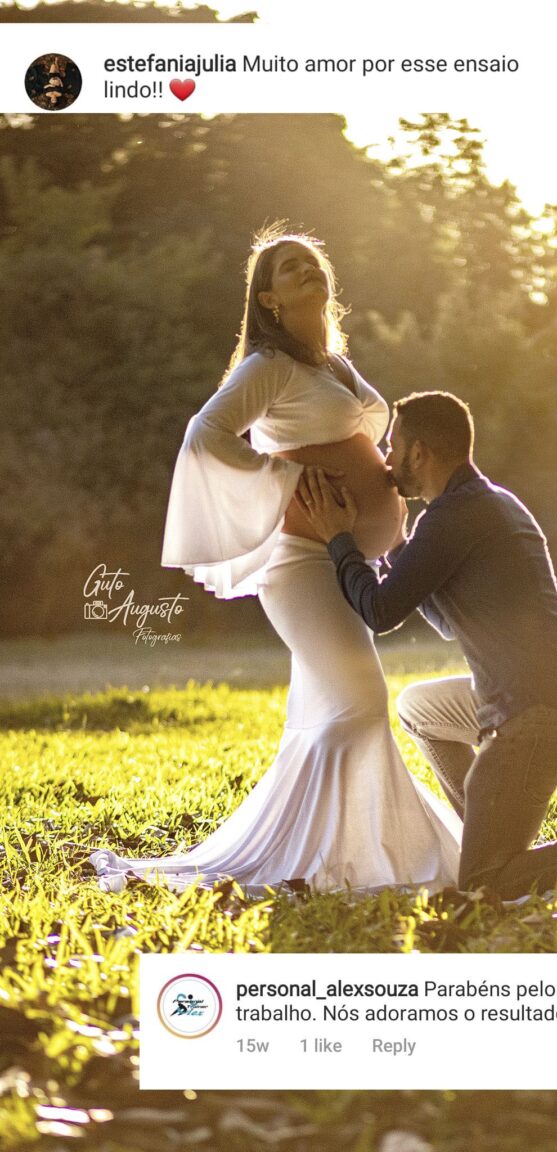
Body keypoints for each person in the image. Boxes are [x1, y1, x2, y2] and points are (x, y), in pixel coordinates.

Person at [90, 229, 459, 896]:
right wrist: (282, 484)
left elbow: (359, 433)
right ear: (269, 299)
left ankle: (329, 859)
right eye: (291, 268)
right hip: (301, 562)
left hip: (343, 556)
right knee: (362, 703)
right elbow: (204, 434)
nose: (308, 270)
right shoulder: (266, 365)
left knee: (330, 715)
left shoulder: (331, 365)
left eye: (313, 261)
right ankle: (323, 863)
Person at [297, 391, 557, 899]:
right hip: (540, 695)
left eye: (392, 444)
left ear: (419, 453)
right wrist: (398, 547)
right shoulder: (484, 504)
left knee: (487, 886)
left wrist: (340, 539)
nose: (385, 457)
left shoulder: (453, 519)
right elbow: (446, 620)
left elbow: (379, 612)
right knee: (418, 708)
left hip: (537, 712)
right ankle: (488, 826)